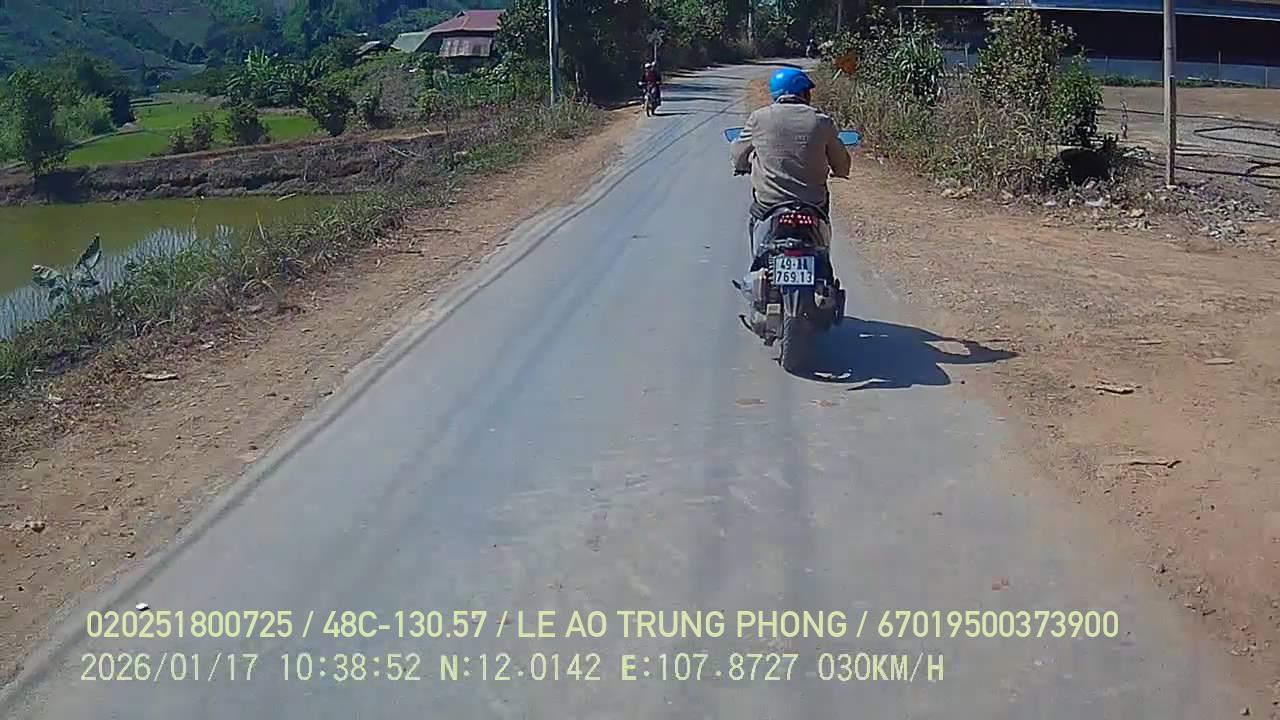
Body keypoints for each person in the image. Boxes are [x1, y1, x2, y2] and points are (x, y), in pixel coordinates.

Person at [730, 67, 850, 267]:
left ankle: (758, 265)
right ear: (802, 92)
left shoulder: (759, 118)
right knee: (823, 226)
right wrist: (840, 171)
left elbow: (738, 153)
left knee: (755, 219)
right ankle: (823, 261)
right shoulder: (821, 121)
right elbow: (841, 163)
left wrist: (741, 165)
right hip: (813, 203)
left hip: (770, 203)